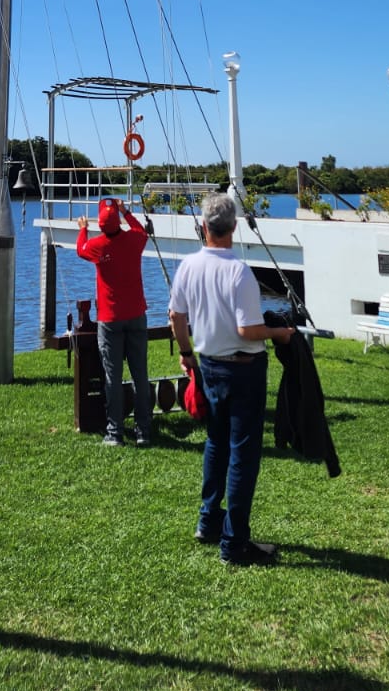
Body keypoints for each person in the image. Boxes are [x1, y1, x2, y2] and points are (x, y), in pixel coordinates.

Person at [167, 189, 296, 566]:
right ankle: (234, 542)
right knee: (243, 452)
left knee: (216, 442)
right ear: (234, 227)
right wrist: (279, 333)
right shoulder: (239, 272)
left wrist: (186, 353)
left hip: (209, 365)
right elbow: (248, 330)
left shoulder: (188, 266)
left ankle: (209, 521)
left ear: (203, 226)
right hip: (243, 369)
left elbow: (176, 316)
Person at [76, 196, 153, 446]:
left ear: (100, 225)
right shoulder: (134, 240)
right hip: (136, 315)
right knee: (140, 375)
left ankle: (115, 432)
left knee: (113, 377)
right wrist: (126, 212)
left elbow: (81, 249)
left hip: (110, 319)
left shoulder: (97, 246)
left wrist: (83, 229)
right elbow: (141, 231)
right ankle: (143, 432)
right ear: (118, 221)